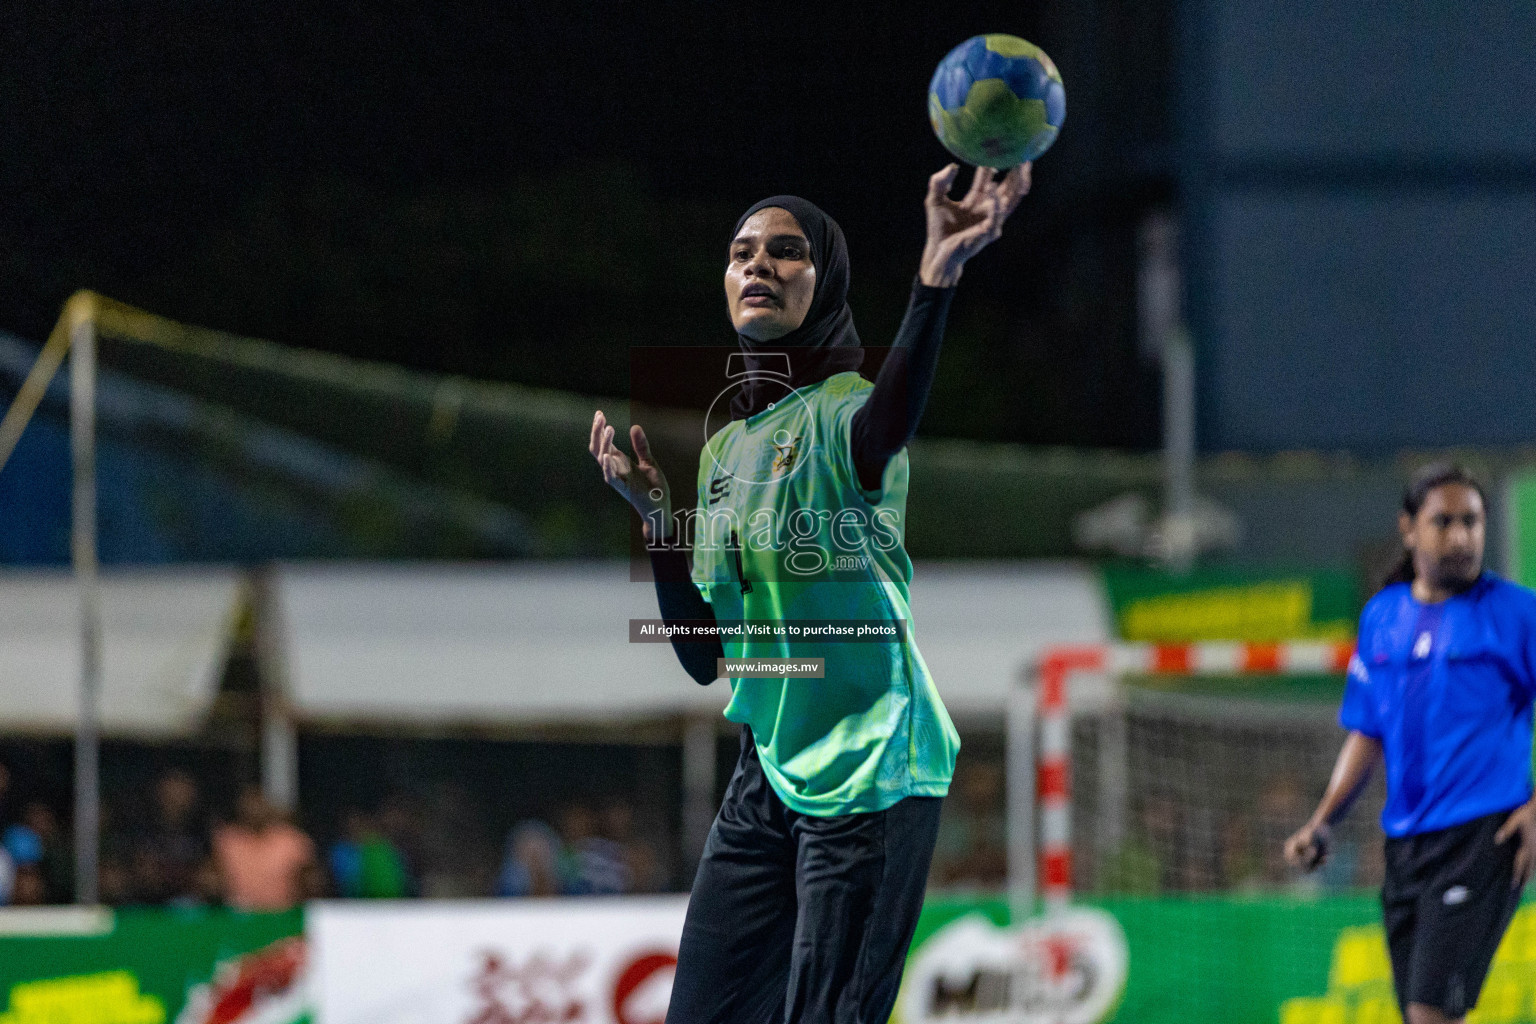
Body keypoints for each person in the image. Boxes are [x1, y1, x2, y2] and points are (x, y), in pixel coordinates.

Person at [590, 161, 1030, 1023]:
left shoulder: (847, 413)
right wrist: (659, 524)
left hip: (870, 769)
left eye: (786, 252)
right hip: (769, 775)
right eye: (742, 251)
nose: (758, 265)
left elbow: (893, 416)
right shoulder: (726, 454)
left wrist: (936, 272)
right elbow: (702, 659)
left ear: (824, 280)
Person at [1284, 464, 1536, 1024]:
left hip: (1483, 836)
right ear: (1409, 529)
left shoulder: (1519, 615)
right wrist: (1323, 820)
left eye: (1471, 521)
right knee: (1421, 1015)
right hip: (1405, 846)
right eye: (1443, 521)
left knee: (1430, 1014)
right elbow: (1367, 731)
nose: (1460, 535)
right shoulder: (1382, 616)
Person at [212, 787, 317, 912]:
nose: (254, 810)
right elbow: (213, 876)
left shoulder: (292, 839)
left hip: (283, 915)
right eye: (249, 805)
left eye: (258, 804)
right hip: (239, 917)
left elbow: (311, 880)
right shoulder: (227, 840)